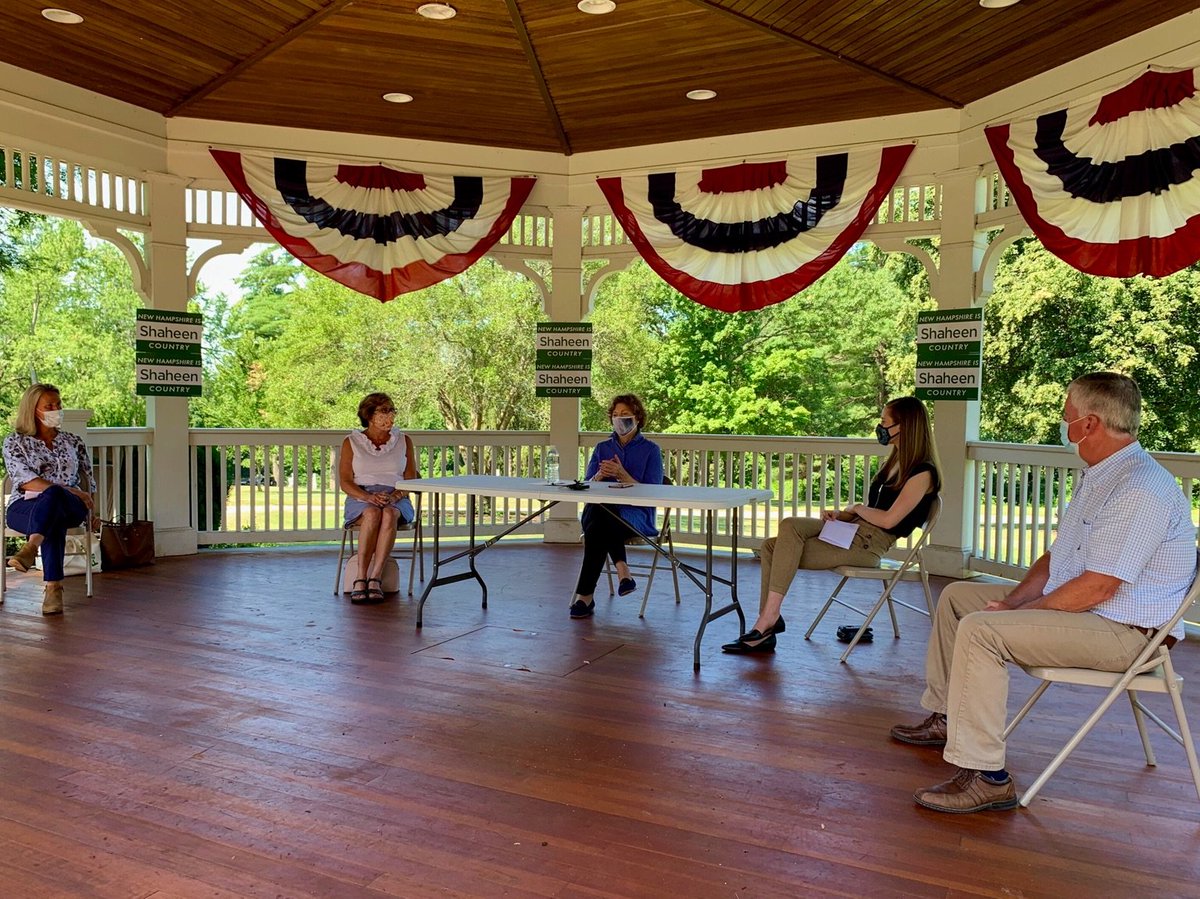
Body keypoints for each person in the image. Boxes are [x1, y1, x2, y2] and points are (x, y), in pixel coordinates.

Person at [891, 372, 1196, 814]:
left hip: (1126, 633)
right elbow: (1057, 559)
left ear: (1089, 425)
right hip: (1094, 613)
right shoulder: (1102, 476)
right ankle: (947, 717)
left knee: (982, 630)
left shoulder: (1140, 488)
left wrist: (1014, 615)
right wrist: (1013, 601)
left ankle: (987, 776)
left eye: (1067, 416)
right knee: (960, 597)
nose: (1063, 424)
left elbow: (1098, 586)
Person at [724, 396, 940, 654]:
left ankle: (765, 625)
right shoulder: (894, 462)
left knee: (773, 548)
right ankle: (769, 620)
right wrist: (843, 514)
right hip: (852, 530)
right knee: (784, 530)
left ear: (904, 426)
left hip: (868, 546)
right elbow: (875, 510)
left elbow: (889, 520)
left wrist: (856, 509)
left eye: (884, 422)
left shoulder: (923, 473)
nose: (879, 427)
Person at [569, 394, 664, 619]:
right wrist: (601, 475)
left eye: (625, 415)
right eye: (615, 415)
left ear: (637, 418)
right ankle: (623, 571)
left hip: (635, 516)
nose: (619, 419)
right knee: (600, 511)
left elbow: (654, 493)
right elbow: (587, 485)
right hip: (601, 512)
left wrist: (623, 475)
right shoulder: (602, 448)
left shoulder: (651, 450)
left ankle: (585, 597)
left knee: (597, 527)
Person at [3, 383, 95, 616]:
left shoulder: (72, 441)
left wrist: (94, 512)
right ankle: (53, 589)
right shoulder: (15, 442)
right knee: (52, 501)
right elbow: (24, 480)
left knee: (54, 498)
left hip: (71, 507)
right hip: (25, 505)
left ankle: (31, 547)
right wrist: (70, 490)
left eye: (59, 404)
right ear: (34, 410)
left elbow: (88, 479)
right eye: (50, 406)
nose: (57, 409)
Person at [338, 392, 418, 604]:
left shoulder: (404, 441)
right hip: (361, 496)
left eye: (392, 410)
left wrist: (394, 496)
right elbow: (345, 482)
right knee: (373, 513)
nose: (390, 416)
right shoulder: (351, 442)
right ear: (369, 415)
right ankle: (360, 577)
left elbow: (411, 479)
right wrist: (368, 497)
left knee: (389, 513)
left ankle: (376, 578)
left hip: (398, 496)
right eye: (384, 411)